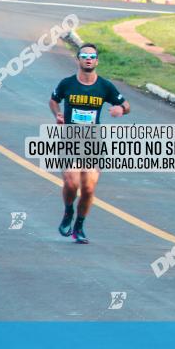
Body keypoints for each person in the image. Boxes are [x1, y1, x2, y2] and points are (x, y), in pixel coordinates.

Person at [50, 44, 130, 243]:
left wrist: (121, 109)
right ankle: (68, 211)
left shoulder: (105, 86)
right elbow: (53, 100)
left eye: (92, 56)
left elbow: (125, 104)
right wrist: (57, 113)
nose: (88, 59)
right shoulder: (67, 83)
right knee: (71, 183)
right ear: (78, 59)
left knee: (88, 189)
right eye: (84, 56)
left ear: (97, 61)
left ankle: (79, 226)